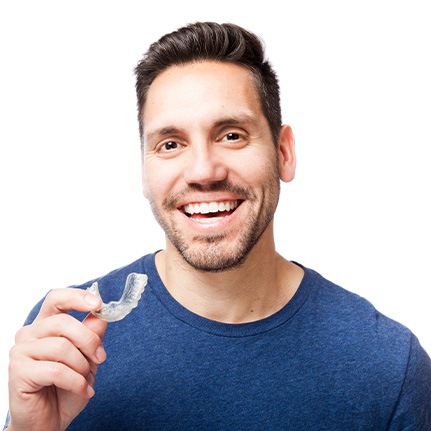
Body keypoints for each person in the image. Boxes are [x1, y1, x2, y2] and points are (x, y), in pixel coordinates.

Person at [4, 21, 431, 431]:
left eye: (231, 135)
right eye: (170, 144)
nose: (203, 170)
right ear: (144, 168)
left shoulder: (387, 365)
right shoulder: (66, 339)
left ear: (284, 153)